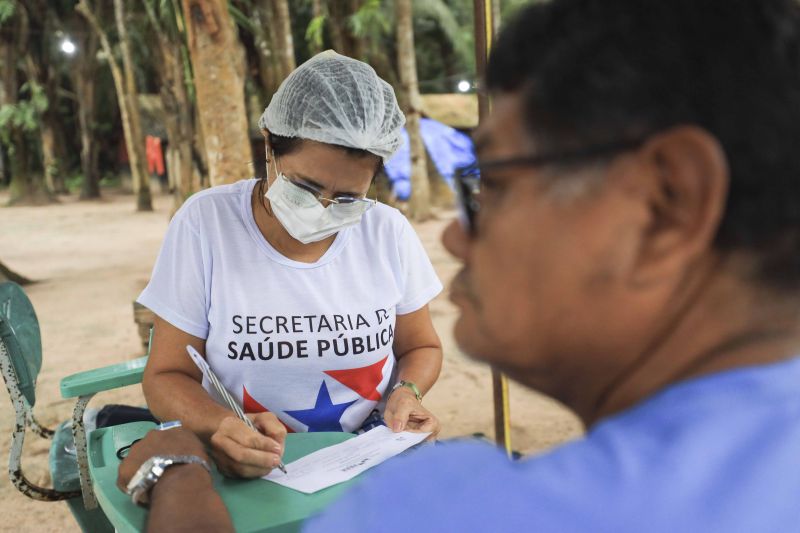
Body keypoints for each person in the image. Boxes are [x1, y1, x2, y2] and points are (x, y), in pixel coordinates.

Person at [121, 0, 800, 530]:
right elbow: (171, 368)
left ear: (669, 203)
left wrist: (177, 469)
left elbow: (418, 346)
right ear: (271, 147)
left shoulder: (447, 510)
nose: (452, 238)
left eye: (492, 184)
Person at [137, 50, 444, 479]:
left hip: (367, 453)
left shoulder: (385, 232)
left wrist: (406, 393)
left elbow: (420, 346)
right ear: (269, 145)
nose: (321, 209)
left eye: (346, 198)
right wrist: (221, 425)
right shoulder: (206, 224)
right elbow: (166, 375)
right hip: (247, 459)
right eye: (305, 186)